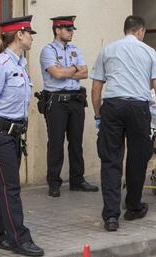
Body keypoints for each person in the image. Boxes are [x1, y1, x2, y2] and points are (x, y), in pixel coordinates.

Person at [91, 15, 156, 232]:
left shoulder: (107, 50)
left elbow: (96, 89)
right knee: (137, 158)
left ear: (125, 30)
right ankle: (133, 207)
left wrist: (98, 116)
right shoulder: (149, 52)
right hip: (138, 108)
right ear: (141, 31)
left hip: (112, 106)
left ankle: (111, 217)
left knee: (111, 161)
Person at [0, 15, 44, 256]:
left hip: (14, 134)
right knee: (10, 187)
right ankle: (19, 239)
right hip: (0, 135)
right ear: (19, 35)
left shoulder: (20, 65)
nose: (32, 38)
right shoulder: (0, 65)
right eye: (30, 33)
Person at [40, 16, 98, 198]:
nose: (72, 32)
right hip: (56, 101)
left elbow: (86, 73)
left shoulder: (75, 49)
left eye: (72, 29)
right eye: (68, 29)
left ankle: (77, 180)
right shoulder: (47, 51)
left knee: (76, 142)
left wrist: (67, 70)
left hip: (76, 100)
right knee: (56, 143)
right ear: (57, 30)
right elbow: (56, 74)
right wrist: (74, 69)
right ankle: (54, 182)